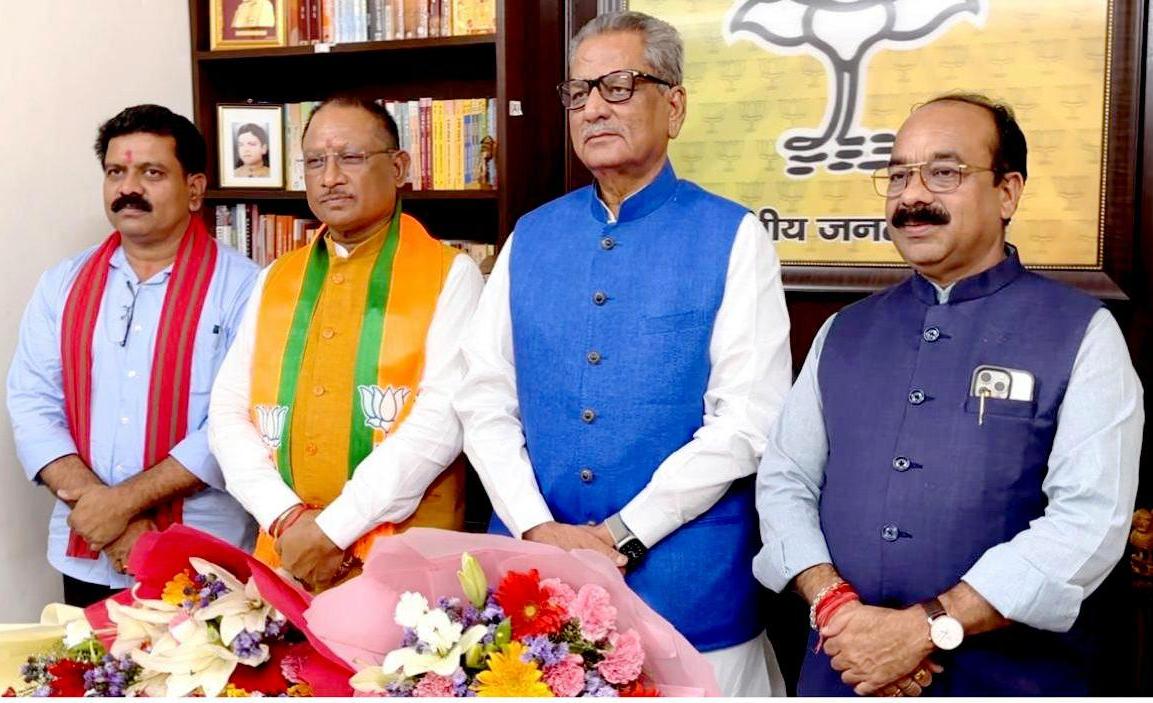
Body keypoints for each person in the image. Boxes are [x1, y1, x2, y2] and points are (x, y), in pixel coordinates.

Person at [754, 94, 1144, 696]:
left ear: (1008, 193)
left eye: (944, 172)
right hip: (844, 669)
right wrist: (836, 608)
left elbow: (1087, 522)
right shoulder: (844, 331)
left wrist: (927, 627)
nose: (912, 197)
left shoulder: (1082, 332)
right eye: (898, 176)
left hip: (1009, 678)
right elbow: (785, 482)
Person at [454, 11, 792, 696]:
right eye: (579, 92)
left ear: (675, 106)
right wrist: (537, 526)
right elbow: (483, 397)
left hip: (687, 589)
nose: (593, 108)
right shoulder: (531, 236)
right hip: (533, 579)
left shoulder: (732, 235)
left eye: (618, 86)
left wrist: (622, 532)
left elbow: (747, 421)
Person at [209, 95, 483, 593]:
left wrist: (332, 530)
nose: (330, 177)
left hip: (404, 561)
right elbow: (228, 411)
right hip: (287, 553)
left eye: (350, 158)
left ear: (399, 167)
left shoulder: (451, 274)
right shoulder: (277, 278)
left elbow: (441, 423)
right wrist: (285, 517)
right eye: (315, 161)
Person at [7, 104, 259, 607]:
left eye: (152, 173)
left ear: (194, 188)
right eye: (115, 173)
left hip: (205, 553)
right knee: (87, 660)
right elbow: (32, 403)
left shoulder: (246, 288)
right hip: (86, 548)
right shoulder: (63, 283)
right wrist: (107, 517)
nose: (128, 188)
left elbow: (236, 419)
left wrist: (120, 505)